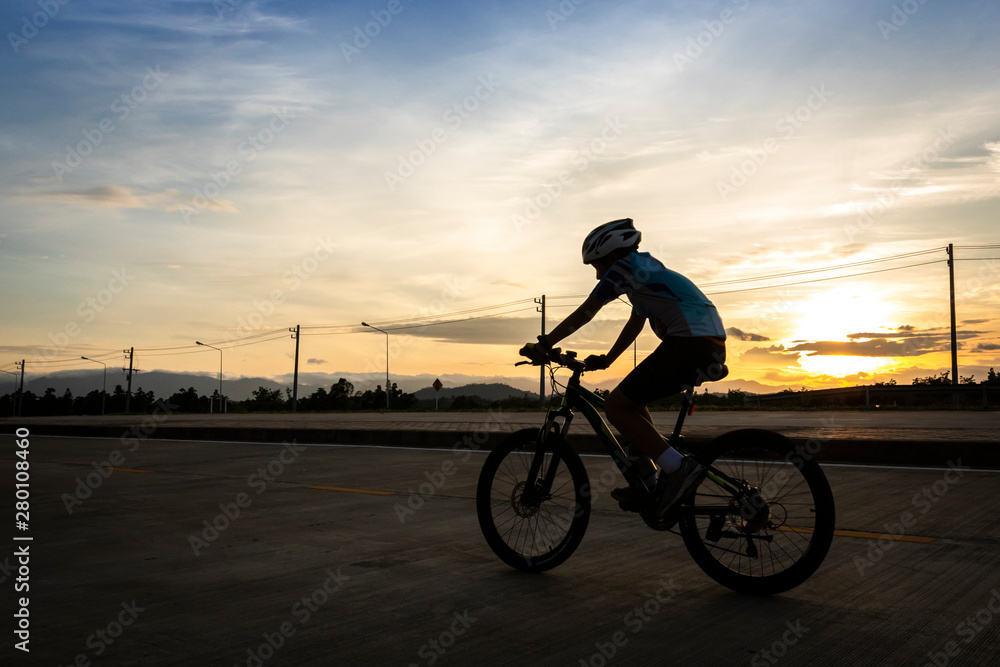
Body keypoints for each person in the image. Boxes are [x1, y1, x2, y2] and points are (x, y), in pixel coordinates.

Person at [523, 218, 728, 519]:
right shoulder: (644, 272)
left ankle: (678, 469)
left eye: (596, 266)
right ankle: (648, 481)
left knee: (616, 406)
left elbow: (588, 311)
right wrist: (607, 359)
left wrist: (545, 343)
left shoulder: (626, 267)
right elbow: (636, 322)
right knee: (632, 404)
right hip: (701, 343)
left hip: (691, 342)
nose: (596, 276)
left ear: (611, 256)